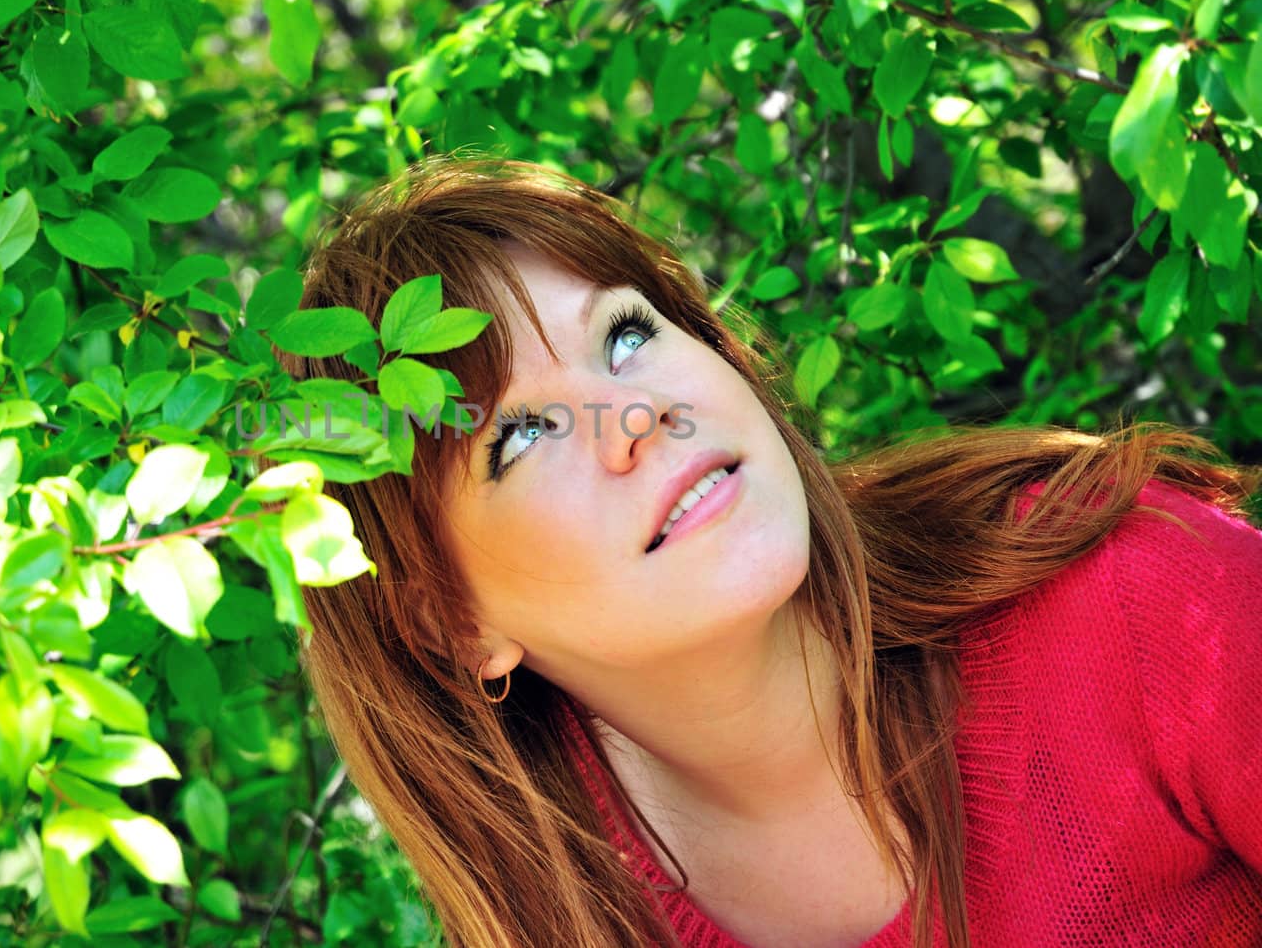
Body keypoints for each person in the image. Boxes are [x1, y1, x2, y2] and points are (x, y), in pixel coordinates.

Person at [278, 157, 1262, 948]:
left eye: (623, 336)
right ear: (451, 622)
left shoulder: (1132, 599)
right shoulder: (560, 913)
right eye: (521, 433)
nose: (635, 412)